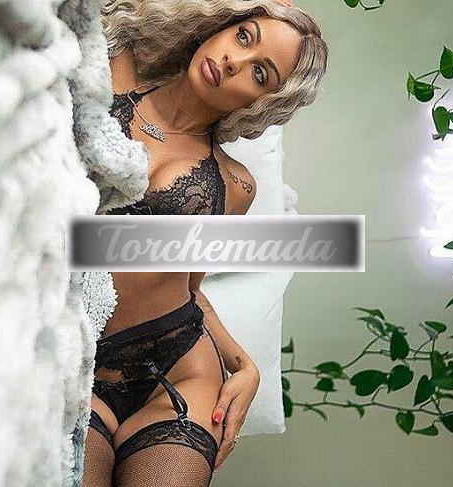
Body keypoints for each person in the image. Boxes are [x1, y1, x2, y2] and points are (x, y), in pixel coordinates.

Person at [82, 1, 328, 486]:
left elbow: (188, 289)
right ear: (219, 26)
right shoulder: (117, 68)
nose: (235, 61)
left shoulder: (234, 186)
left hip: (178, 371)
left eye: (260, 72)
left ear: (260, 102)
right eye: (244, 35)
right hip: (83, 358)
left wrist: (244, 365)